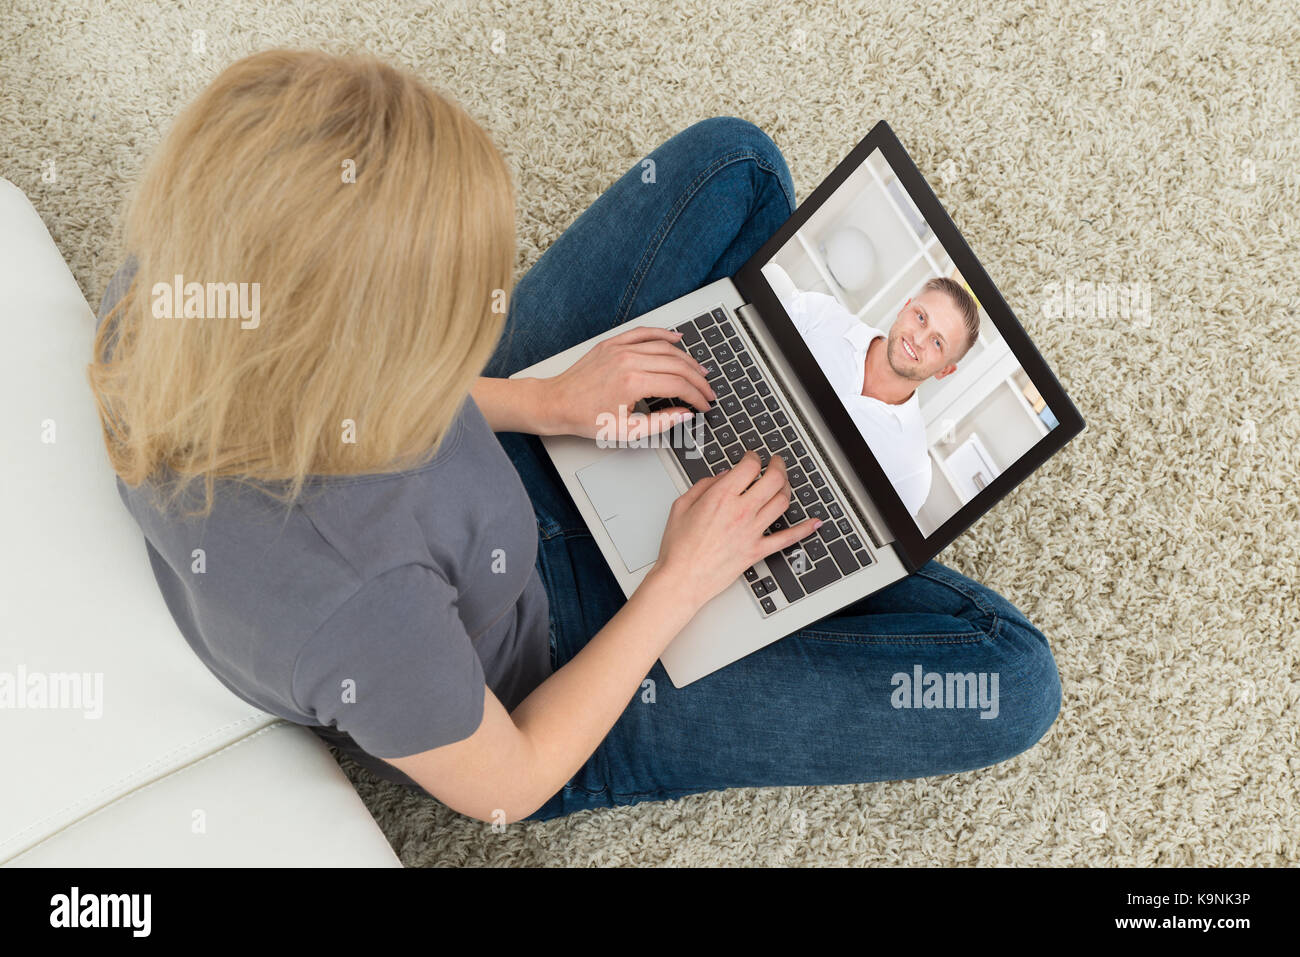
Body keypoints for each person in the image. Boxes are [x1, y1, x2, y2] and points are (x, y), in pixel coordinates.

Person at [89, 49, 1060, 825]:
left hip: (490, 474)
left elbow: (352, 398)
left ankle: (802, 534)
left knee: (737, 165)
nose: (484, 301)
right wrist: (682, 580)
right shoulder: (366, 620)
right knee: (1007, 681)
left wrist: (542, 401)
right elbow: (509, 784)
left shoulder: (174, 295)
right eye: (453, 310)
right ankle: (818, 550)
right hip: (539, 672)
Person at [783, 278, 980, 516]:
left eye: (937, 342)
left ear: (945, 371)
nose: (918, 340)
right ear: (904, 307)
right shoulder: (819, 315)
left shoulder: (912, 474)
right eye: (920, 318)